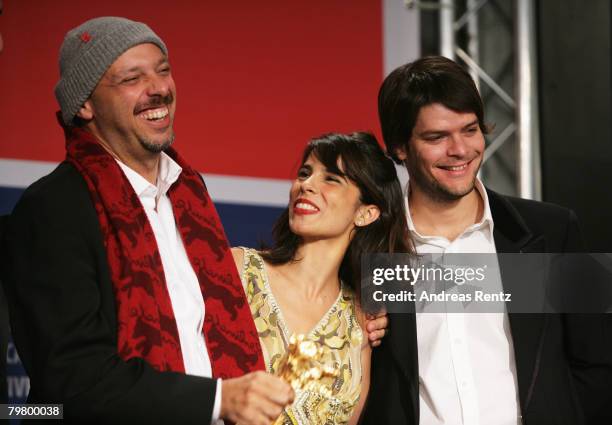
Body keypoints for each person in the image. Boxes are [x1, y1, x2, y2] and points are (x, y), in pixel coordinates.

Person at [0, 16, 388, 425]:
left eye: (163, 71)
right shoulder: (53, 208)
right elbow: (72, 381)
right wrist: (219, 400)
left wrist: (370, 309)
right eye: (132, 78)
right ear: (85, 104)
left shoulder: (189, 198)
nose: (158, 89)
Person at [361, 56, 612, 425]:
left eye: (470, 130)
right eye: (436, 137)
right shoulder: (371, 247)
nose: (460, 150)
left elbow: (600, 361)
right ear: (400, 146)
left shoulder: (552, 230)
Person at [232, 132, 411, 424]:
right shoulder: (238, 270)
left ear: (366, 213)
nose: (306, 185)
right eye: (305, 173)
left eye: (331, 179)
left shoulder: (361, 324)